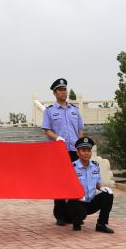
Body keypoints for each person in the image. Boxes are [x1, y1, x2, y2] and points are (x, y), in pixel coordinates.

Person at [41, 77, 85, 226]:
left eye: (64, 89)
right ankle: (60, 215)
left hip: (74, 151)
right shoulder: (49, 111)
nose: (63, 92)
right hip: (58, 152)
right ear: (55, 93)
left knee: (75, 182)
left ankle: (74, 214)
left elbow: (80, 130)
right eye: (60, 90)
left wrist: (81, 146)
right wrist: (57, 137)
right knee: (59, 182)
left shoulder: (75, 110)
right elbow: (47, 130)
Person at [66, 136, 114, 233]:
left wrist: (102, 188)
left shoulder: (95, 166)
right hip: (77, 202)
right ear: (78, 153)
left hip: (91, 201)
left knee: (108, 195)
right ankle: (76, 222)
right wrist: (77, 196)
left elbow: (97, 183)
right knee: (79, 210)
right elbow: (68, 187)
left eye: (88, 150)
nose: (86, 153)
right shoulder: (72, 167)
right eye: (83, 150)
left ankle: (101, 224)